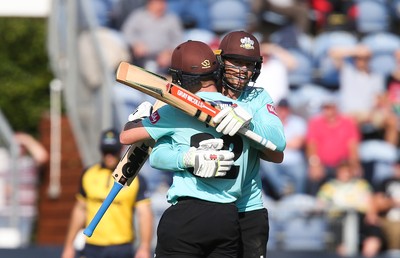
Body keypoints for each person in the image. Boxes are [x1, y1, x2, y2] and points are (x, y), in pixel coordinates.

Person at [120, 40, 283, 257]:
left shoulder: (176, 111)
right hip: (228, 218)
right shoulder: (241, 113)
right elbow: (276, 152)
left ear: (181, 78)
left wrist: (140, 118)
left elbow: (127, 136)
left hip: (186, 215)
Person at [61, 128, 153, 258]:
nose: (109, 156)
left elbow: (144, 214)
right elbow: (80, 209)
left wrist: (144, 246)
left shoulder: (136, 179)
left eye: (113, 152)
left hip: (121, 247)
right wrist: (69, 245)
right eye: (106, 152)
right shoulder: (88, 174)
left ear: (120, 151)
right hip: (92, 246)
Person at [316, 159, 385, 258]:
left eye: (348, 171)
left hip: (360, 218)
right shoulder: (329, 187)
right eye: (343, 171)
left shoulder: (361, 185)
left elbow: (370, 202)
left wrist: (372, 214)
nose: (346, 174)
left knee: (374, 235)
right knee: (343, 244)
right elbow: (321, 205)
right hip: (338, 220)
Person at [120, 0, 184, 74]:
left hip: (163, 61)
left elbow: (179, 40)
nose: (161, 5)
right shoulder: (138, 15)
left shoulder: (172, 19)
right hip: (140, 58)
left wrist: (170, 53)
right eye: (158, 2)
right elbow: (127, 32)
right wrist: (135, 44)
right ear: (150, 4)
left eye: (163, 2)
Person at [260, 98, 307, 197]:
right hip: (275, 159)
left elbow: (297, 144)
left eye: (285, 109)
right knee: (265, 164)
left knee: (300, 173)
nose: (283, 112)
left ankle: (298, 197)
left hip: (294, 160)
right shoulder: (271, 122)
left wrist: (277, 143)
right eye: (280, 109)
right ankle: (283, 189)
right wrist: (286, 143)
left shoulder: (298, 122)